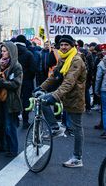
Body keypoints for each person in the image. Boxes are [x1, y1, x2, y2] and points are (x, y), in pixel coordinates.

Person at [36, 35, 86, 168]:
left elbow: (69, 82)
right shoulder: (63, 59)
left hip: (75, 99)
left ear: (72, 46)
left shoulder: (76, 60)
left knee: (77, 128)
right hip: (65, 96)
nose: (63, 47)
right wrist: (42, 87)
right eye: (61, 45)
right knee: (42, 100)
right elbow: (54, 77)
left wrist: (54, 96)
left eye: (66, 45)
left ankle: (77, 158)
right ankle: (55, 127)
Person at [0, 42, 23, 157]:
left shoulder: (16, 66)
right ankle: (2, 146)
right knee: (0, 124)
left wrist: (0, 82)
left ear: (11, 52)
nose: (3, 53)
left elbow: (16, 84)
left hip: (11, 99)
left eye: (5, 51)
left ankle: (13, 149)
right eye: (2, 51)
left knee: (10, 125)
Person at [14, 35, 35, 129]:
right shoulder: (29, 53)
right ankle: (25, 120)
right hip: (26, 81)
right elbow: (33, 69)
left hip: (14, 80)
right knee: (26, 100)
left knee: (15, 98)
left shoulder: (12, 52)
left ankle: (15, 118)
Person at [95, 48, 106, 139]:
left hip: (105, 89)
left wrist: (96, 90)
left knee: (105, 110)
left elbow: (98, 78)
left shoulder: (103, 62)